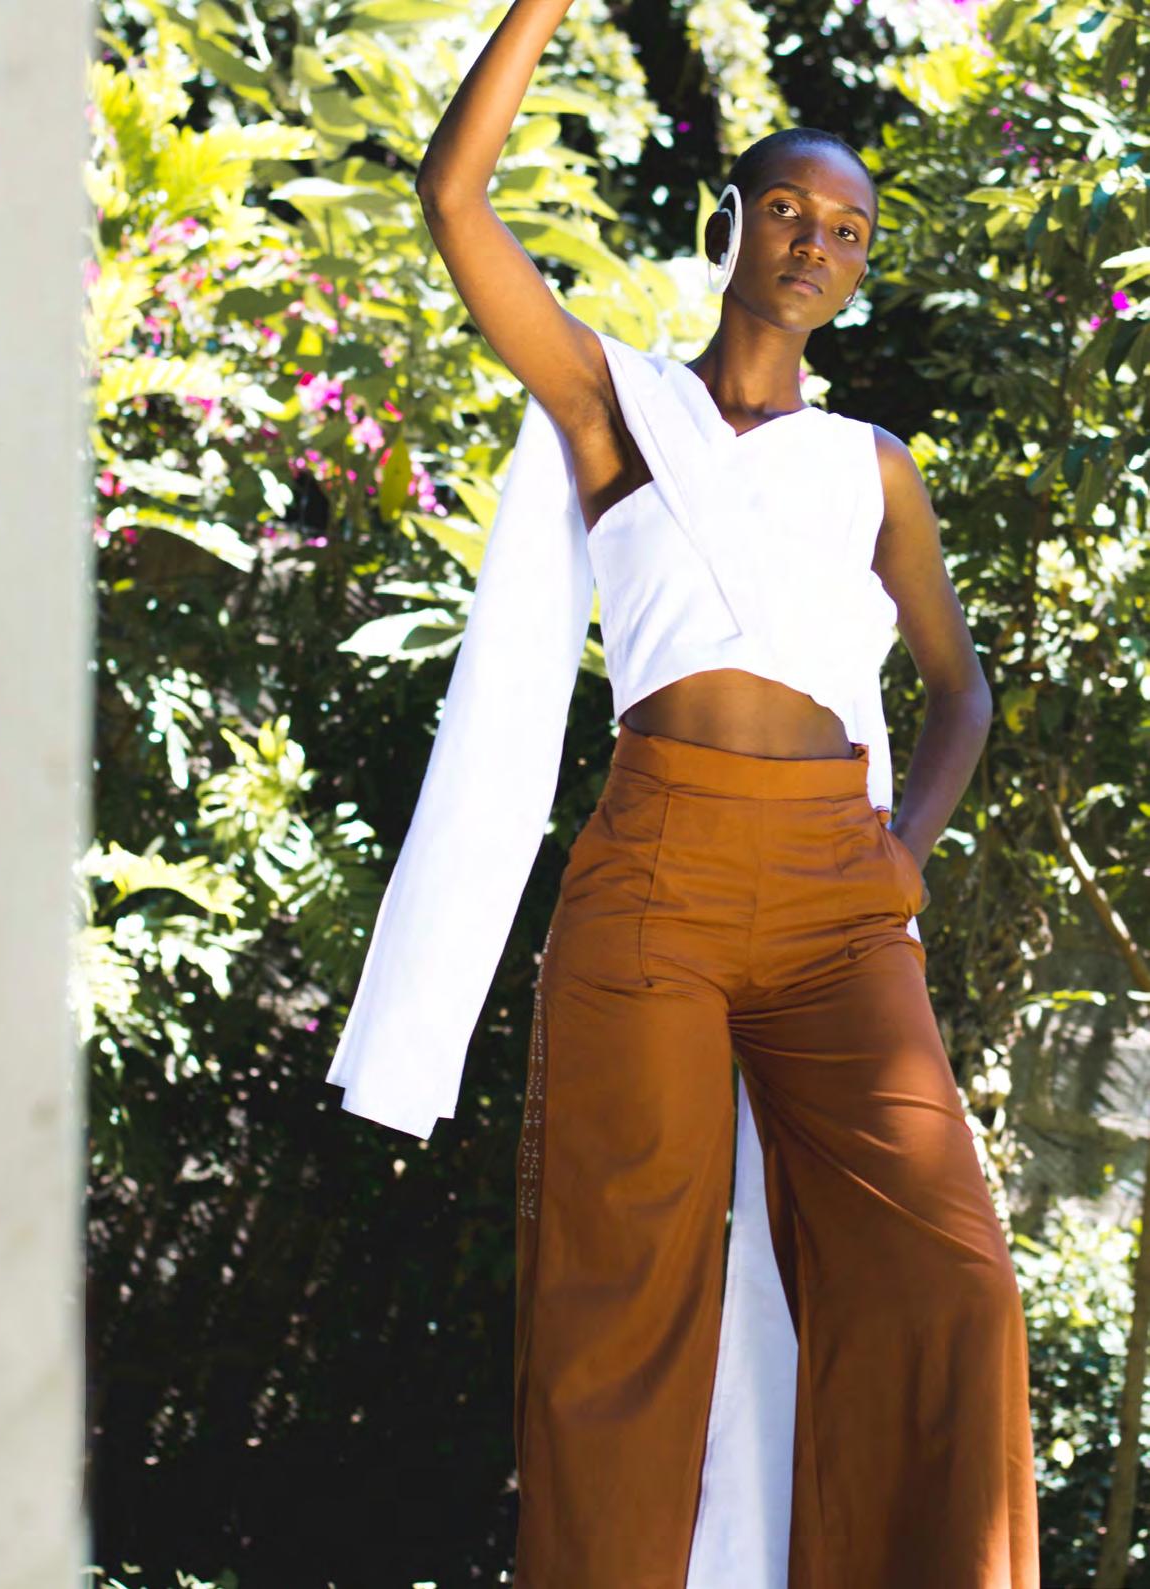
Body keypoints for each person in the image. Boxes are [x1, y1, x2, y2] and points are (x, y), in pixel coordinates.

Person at [327, 1, 1042, 1584]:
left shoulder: (872, 466)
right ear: (732, 223)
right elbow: (453, 198)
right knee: (622, 1296)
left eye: (844, 231)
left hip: (835, 898)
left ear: (858, 268)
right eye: (786, 209)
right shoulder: (617, 406)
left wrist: (901, 855)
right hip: (655, 877)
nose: (812, 244)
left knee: (954, 1278)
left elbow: (960, 690)